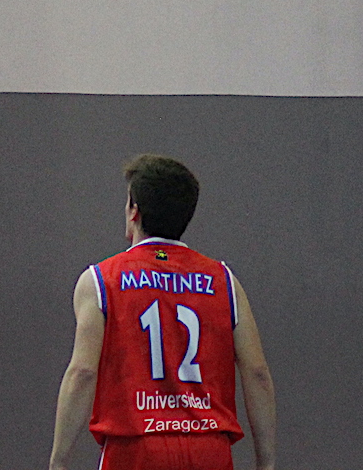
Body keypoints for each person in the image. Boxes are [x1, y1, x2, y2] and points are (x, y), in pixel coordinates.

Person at [48, 154, 276, 470]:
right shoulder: (224, 281)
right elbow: (257, 373)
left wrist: (58, 461)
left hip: (137, 447)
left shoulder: (100, 280)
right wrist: (266, 462)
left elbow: (82, 372)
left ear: (133, 211)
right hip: (208, 448)